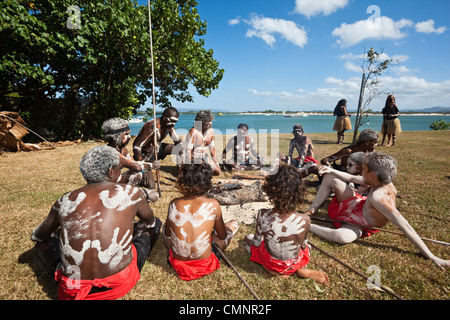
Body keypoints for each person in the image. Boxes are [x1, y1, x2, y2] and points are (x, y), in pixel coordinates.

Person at [31, 146, 162, 300]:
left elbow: (38, 235)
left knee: (43, 243)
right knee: (155, 224)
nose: (121, 173)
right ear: (111, 171)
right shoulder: (131, 193)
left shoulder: (65, 200)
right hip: (119, 283)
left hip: (73, 288)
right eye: (120, 169)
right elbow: (149, 222)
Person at [305, 152, 450, 270]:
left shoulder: (378, 197)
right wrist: (330, 170)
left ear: (373, 174)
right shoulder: (379, 180)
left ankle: (307, 224)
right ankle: (312, 211)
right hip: (357, 204)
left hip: (361, 223)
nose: (361, 170)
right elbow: (350, 177)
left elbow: (404, 226)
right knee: (331, 177)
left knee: (342, 237)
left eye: (364, 169)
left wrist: (431, 256)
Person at [244, 164, 330, 285]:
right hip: (293, 261)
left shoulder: (263, 214)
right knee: (308, 248)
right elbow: (304, 246)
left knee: (248, 238)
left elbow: (257, 242)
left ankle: (274, 271)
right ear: (299, 193)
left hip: (271, 263)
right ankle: (300, 269)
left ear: (271, 191)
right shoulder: (305, 219)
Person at [163, 163, 239, 281]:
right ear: (207, 182)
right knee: (233, 225)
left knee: (165, 228)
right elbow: (222, 235)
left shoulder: (174, 203)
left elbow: (168, 235)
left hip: (177, 262)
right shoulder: (213, 204)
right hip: (204, 264)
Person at [102, 118, 160, 193]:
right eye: (126, 134)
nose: (129, 136)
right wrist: (152, 165)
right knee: (138, 173)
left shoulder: (123, 149)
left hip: (116, 180)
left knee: (138, 173)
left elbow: (134, 163)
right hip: (107, 186)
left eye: (129, 133)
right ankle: (124, 194)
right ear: (116, 136)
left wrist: (148, 155)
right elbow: (136, 166)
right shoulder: (112, 151)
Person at [182, 110, 221, 175]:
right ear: (201, 122)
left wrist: (217, 164)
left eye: (211, 121)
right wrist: (188, 167)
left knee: (217, 171)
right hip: (193, 159)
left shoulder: (211, 131)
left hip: (203, 157)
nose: (210, 123)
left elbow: (213, 151)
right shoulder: (193, 131)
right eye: (208, 121)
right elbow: (188, 152)